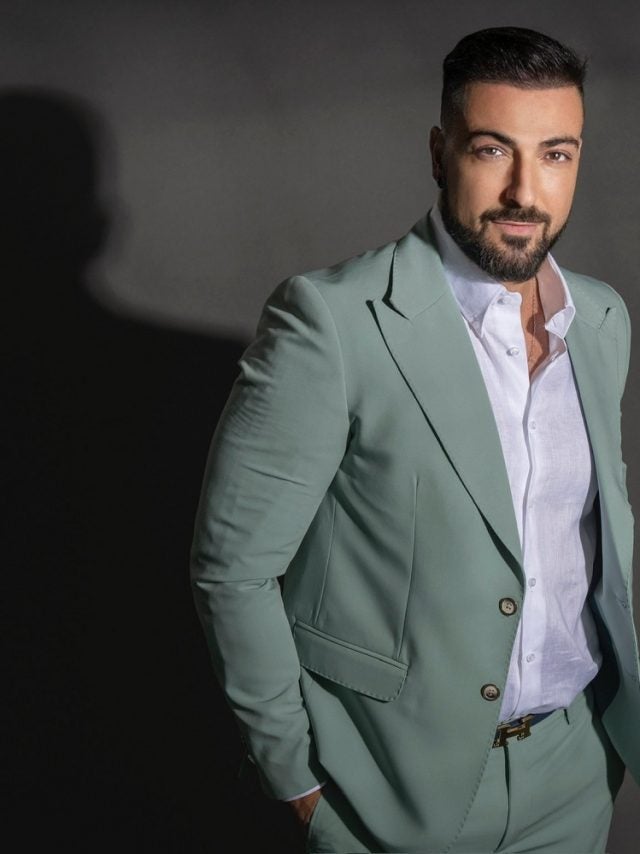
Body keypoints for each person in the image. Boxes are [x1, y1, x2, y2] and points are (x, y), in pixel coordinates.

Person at [190, 26, 640, 853]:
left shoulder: (601, 319)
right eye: (493, 150)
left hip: (576, 774)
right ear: (441, 154)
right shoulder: (331, 324)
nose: (525, 192)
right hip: (393, 790)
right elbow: (234, 567)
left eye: (556, 155)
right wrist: (298, 781)